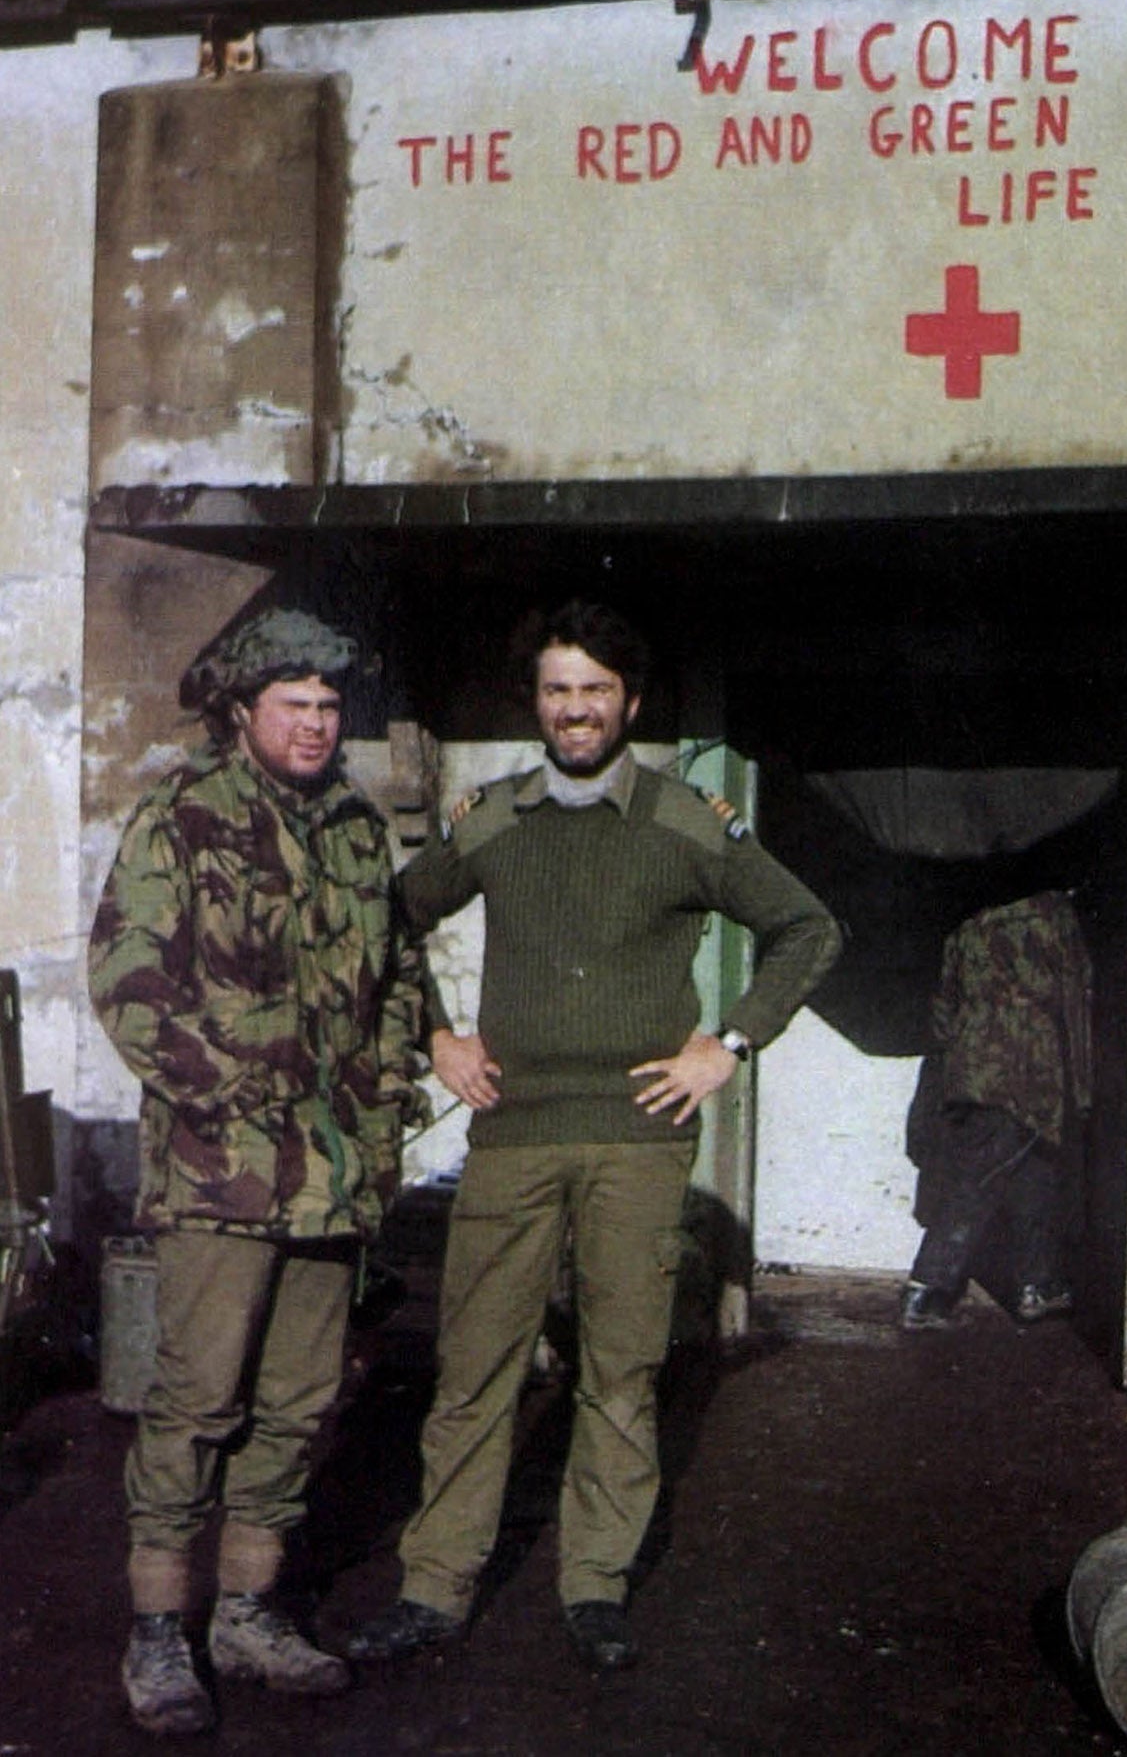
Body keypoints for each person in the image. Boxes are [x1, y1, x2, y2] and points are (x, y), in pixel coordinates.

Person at [347, 599, 841, 1673]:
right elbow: (390, 917)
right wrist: (434, 1033)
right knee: (474, 1364)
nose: (576, 709)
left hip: (638, 1138)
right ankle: (434, 1588)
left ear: (630, 700)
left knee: (618, 1370)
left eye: (596, 690)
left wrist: (730, 1045)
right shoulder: (493, 820)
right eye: (558, 689)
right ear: (538, 700)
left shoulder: (686, 821)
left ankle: (596, 1584)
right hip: (513, 1133)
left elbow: (809, 927)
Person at [88, 609, 430, 1737]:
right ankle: (158, 1633)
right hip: (221, 1177)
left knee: (295, 1406)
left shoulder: (356, 830)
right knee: (194, 1404)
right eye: (296, 705)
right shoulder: (182, 819)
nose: (319, 725)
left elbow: (399, 985)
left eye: (332, 709)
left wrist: (383, 1105)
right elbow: (131, 984)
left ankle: (247, 1612)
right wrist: (231, 1095)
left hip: (333, 1180)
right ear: (244, 713)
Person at [898, 890, 1092, 1331]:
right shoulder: (1055, 917)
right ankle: (925, 1290)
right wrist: (1082, 1088)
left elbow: (942, 1016)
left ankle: (1037, 1286)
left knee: (1034, 1177)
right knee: (979, 1180)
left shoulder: (969, 923)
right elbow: (1077, 1000)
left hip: (973, 1069)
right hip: (1032, 1070)